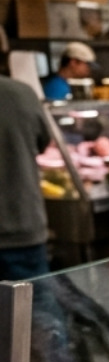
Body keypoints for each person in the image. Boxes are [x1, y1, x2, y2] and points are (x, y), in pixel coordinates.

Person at [0, 26, 55, 280]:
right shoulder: (23, 94)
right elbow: (43, 143)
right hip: (23, 223)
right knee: (38, 310)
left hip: (18, 227)